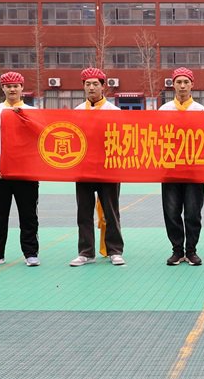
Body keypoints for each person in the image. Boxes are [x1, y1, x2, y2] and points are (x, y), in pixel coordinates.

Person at [0, 71, 40, 268]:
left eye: (16, 86)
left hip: (26, 174)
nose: (12, 89)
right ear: (3, 88)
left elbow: (41, 139)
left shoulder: (33, 112)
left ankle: (31, 253)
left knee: (29, 216)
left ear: (22, 88)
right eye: (8, 86)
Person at [69, 67, 125, 267]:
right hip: (83, 170)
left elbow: (122, 140)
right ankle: (86, 252)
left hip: (108, 169)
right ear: (83, 87)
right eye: (88, 84)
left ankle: (114, 251)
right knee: (84, 212)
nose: (91, 87)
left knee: (111, 211)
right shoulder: (77, 112)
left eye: (95, 84)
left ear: (103, 87)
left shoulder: (114, 112)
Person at [158, 67, 204, 266]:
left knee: (193, 213)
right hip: (170, 169)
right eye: (179, 82)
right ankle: (177, 250)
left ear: (192, 84)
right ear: (173, 85)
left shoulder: (200, 110)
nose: (182, 86)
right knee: (171, 212)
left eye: (186, 82)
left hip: (195, 170)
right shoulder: (164, 110)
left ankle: (191, 251)